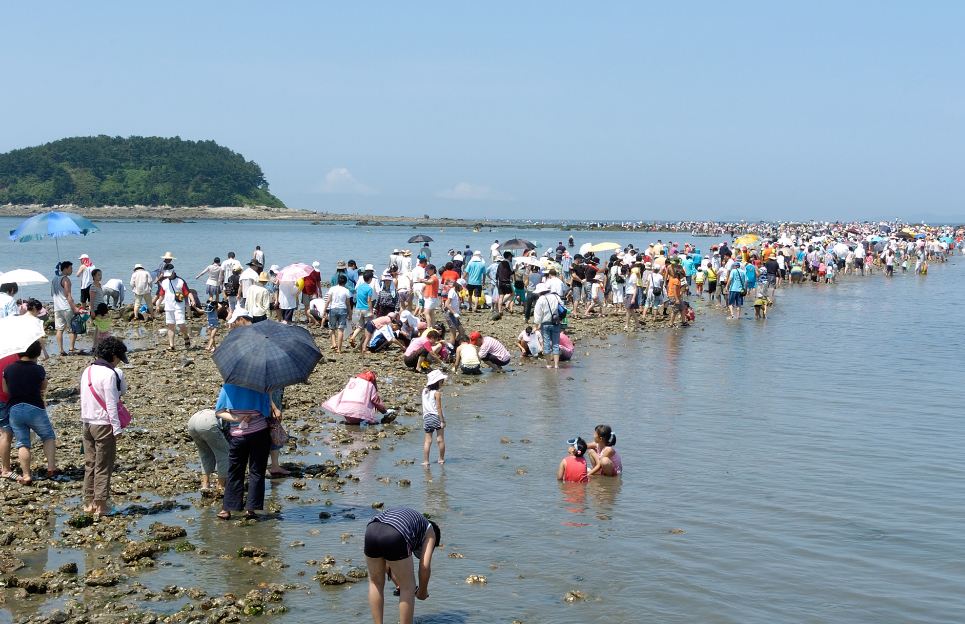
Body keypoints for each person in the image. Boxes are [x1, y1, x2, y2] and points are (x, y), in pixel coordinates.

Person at [364, 507, 441, 624]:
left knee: (375, 583)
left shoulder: (414, 521)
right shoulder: (430, 531)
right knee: (408, 587)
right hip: (396, 533)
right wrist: (422, 592)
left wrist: (398, 583)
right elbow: (424, 567)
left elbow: (387, 562)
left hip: (371, 529)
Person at [215, 383, 278, 520]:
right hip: (260, 434)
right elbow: (266, 411)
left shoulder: (228, 387)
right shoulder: (261, 386)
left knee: (235, 472)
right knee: (256, 472)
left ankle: (226, 509)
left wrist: (237, 418)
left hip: (237, 436)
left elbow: (219, 411)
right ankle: (251, 510)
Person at [80, 337, 129, 513]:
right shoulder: (109, 374)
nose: (117, 363)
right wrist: (117, 428)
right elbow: (111, 404)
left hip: (87, 423)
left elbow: (84, 398)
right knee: (103, 465)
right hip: (103, 424)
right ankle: (101, 505)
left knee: (90, 464)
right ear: (113, 356)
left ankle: (88, 503)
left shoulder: (88, 370)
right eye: (118, 359)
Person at [3, 340, 56, 485]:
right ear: (37, 353)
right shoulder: (38, 369)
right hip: (35, 408)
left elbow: (6, 390)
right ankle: (51, 467)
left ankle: (26, 475)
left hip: (14, 409)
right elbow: (43, 386)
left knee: (22, 443)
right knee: (48, 436)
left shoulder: (8, 369)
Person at [322, 371, 396, 425]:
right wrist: (385, 412)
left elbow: (341, 395)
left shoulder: (352, 382)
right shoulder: (370, 385)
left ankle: (353, 422)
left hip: (346, 413)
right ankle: (365, 421)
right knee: (373, 421)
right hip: (358, 414)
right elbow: (375, 401)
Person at [187, 408, 229, 493]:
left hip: (192, 421)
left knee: (205, 453)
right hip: (207, 422)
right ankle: (220, 486)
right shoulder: (229, 416)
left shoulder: (218, 410)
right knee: (225, 453)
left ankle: (205, 485)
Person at [154, 269, 192, 350]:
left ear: (173, 272)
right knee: (170, 326)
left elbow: (187, 292)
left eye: (169, 274)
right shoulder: (164, 282)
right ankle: (171, 345)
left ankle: (185, 336)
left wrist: (192, 300)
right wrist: (158, 304)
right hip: (168, 306)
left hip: (179, 306)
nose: (168, 276)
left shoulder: (180, 281)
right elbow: (161, 294)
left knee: (181, 324)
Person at [51, 261, 81, 356]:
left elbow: (52, 294)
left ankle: (61, 350)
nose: (72, 270)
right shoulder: (66, 280)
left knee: (59, 329)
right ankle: (71, 349)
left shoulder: (54, 279)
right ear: (65, 269)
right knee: (73, 328)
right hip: (66, 307)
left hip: (57, 307)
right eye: (71, 268)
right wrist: (75, 308)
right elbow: (68, 295)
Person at [532, 283, 563, 369]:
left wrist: (536, 325)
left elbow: (537, 314)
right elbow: (562, 306)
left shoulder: (541, 299)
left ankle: (548, 364)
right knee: (556, 344)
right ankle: (556, 365)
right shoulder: (556, 296)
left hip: (545, 324)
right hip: (556, 322)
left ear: (540, 292)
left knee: (546, 344)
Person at [422, 370, 447, 465]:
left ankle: (426, 461)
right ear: (439, 382)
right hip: (436, 417)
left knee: (427, 441)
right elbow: (438, 408)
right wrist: (442, 420)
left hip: (427, 417)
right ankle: (441, 459)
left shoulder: (424, 391)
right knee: (440, 439)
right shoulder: (437, 393)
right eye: (442, 381)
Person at [325, 274, 353, 353]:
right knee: (340, 330)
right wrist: (350, 314)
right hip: (342, 310)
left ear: (338, 281)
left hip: (333, 309)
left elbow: (328, 300)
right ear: (345, 282)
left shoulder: (332, 289)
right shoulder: (346, 290)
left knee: (332, 328)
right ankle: (339, 349)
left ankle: (334, 343)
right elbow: (348, 304)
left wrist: (324, 310)